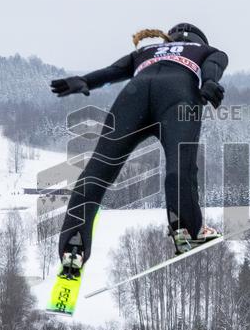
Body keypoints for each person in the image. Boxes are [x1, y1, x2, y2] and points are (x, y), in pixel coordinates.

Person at [50, 23, 228, 275]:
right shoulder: (209, 51)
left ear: (169, 39)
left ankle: (73, 248)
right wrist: (209, 82)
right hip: (177, 97)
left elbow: (113, 71)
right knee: (180, 165)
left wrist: (84, 81)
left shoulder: (148, 50)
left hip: (133, 97)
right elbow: (213, 67)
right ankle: (187, 229)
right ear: (201, 40)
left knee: (96, 172)